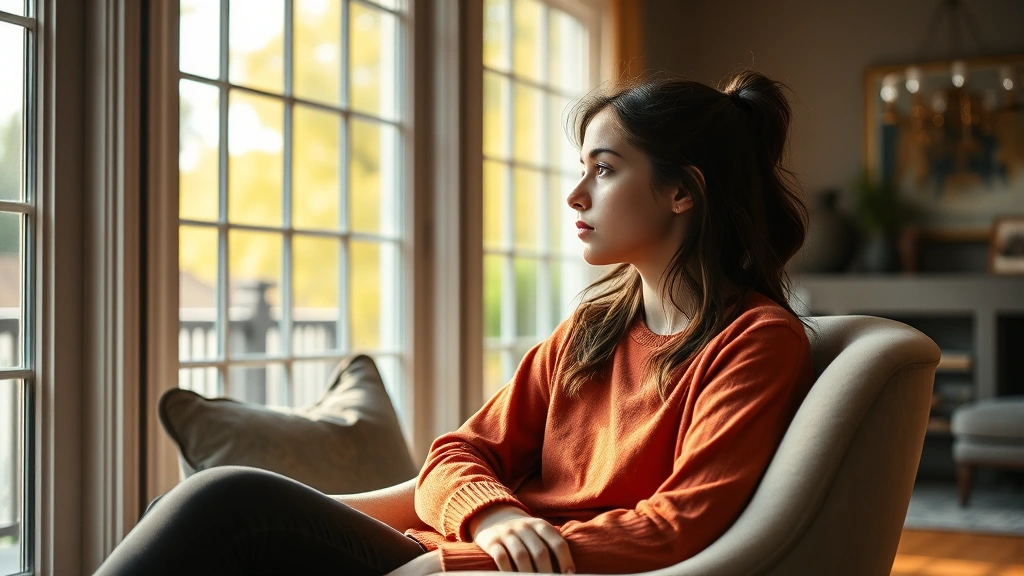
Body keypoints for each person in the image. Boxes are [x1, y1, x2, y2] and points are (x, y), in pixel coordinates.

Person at [93, 68, 814, 576]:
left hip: (488, 568)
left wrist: (460, 561)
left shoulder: (756, 343)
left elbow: (680, 524)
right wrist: (492, 521)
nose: (575, 194)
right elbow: (455, 457)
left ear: (683, 192)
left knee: (225, 502)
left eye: (604, 169)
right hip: (467, 548)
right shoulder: (591, 331)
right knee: (189, 505)